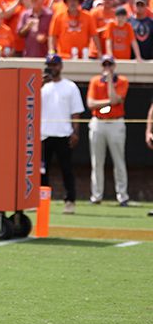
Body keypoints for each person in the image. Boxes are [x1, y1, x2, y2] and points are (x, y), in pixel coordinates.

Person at [41, 54, 85, 214]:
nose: (52, 68)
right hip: (43, 134)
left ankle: (70, 201)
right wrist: (40, 84)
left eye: (54, 65)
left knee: (66, 170)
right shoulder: (41, 86)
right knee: (41, 171)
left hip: (63, 134)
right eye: (49, 65)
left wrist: (75, 132)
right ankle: (40, 201)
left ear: (60, 66)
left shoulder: (70, 86)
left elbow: (76, 112)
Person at [86, 55, 130, 206]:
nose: (107, 68)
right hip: (98, 122)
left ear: (114, 66)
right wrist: (108, 103)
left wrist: (110, 81)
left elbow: (116, 99)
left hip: (116, 123)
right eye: (105, 65)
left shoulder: (122, 81)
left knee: (119, 161)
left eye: (110, 65)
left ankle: (122, 196)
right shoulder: (95, 81)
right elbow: (91, 104)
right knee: (97, 162)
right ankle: (96, 196)